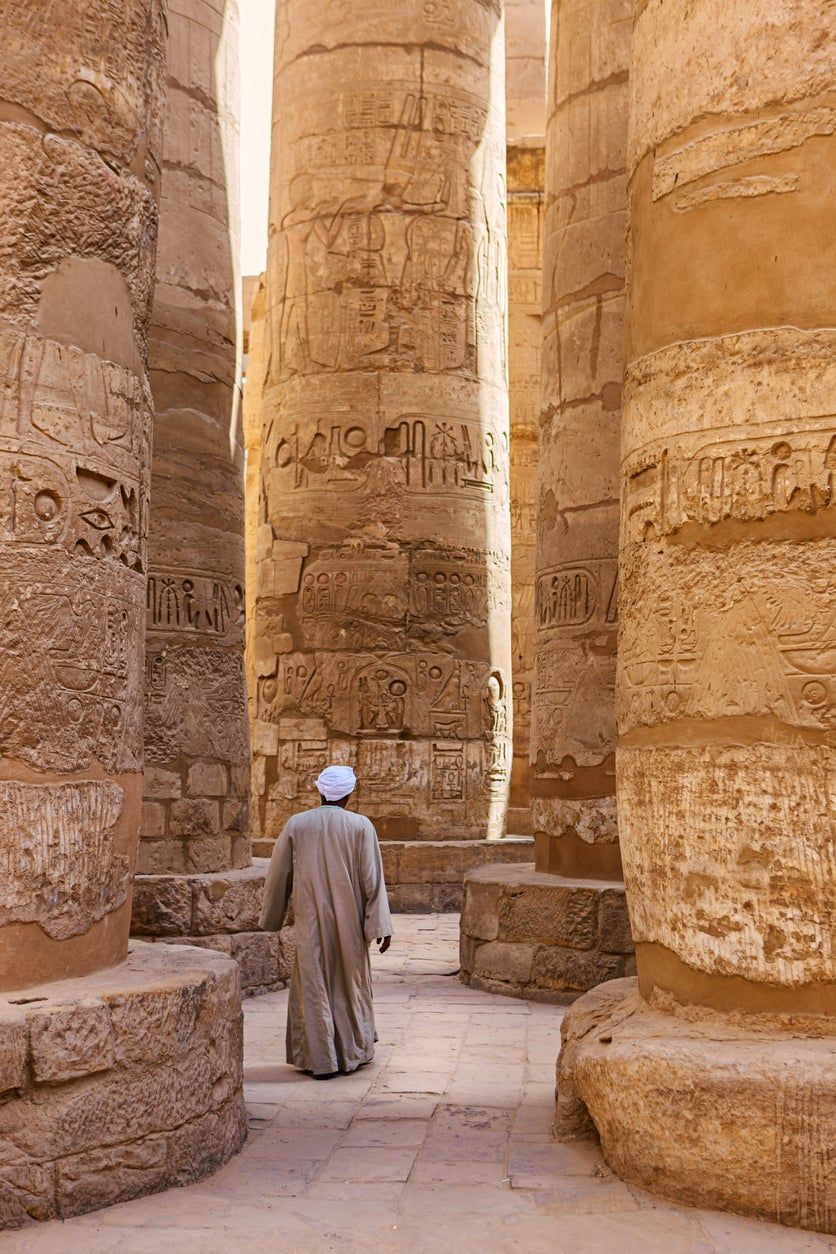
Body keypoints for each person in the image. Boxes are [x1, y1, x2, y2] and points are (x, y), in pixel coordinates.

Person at [259, 765, 393, 1079]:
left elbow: (279, 874)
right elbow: (372, 879)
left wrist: (271, 918)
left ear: (319, 791)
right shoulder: (361, 826)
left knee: (314, 984)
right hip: (350, 921)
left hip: (310, 921)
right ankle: (351, 1053)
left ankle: (320, 1059)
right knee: (349, 984)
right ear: (349, 794)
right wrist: (380, 926)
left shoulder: (297, 824)